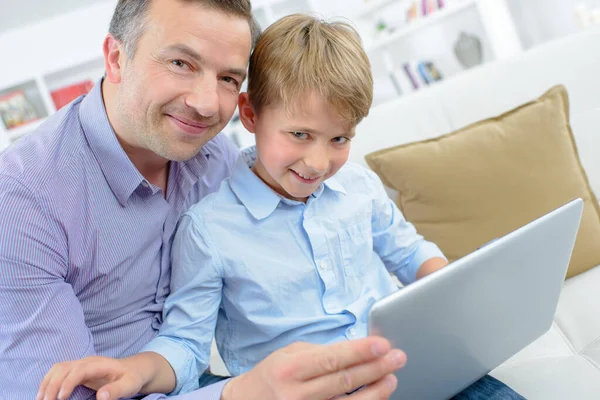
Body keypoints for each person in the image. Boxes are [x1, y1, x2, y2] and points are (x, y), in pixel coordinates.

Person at [36, 13, 524, 400]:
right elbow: (185, 342)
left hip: (403, 365)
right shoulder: (208, 229)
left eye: (340, 138)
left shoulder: (357, 187)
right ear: (250, 114)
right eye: (299, 135)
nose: (319, 160)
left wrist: (460, 291)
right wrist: (134, 371)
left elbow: (409, 252)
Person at [0, 1, 405, 399]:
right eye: (181, 63)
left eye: (229, 78)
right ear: (116, 58)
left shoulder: (217, 162)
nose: (208, 104)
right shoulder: (21, 201)